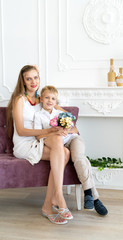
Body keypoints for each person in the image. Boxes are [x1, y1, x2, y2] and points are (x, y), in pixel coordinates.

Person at [7, 65, 74, 225]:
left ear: (39, 78)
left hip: (40, 139)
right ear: (23, 81)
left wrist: (63, 126)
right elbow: (22, 131)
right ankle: (57, 198)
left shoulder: (43, 99)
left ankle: (49, 204)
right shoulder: (19, 100)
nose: (33, 82)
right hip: (25, 144)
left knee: (63, 149)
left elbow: (67, 115)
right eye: (28, 78)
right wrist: (51, 130)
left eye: (35, 77)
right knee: (63, 152)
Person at [34, 85, 108, 216]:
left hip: (72, 140)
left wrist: (66, 130)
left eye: (53, 98)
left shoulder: (60, 114)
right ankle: (93, 197)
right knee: (82, 160)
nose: (50, 101)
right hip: (58, 146)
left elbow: (75, 130)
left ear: (56, 102)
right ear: (41, 99)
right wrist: (53, 132)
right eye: (47, 97)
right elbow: (38, 136)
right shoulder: (38, 116)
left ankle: (90, 195)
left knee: (79, 159)